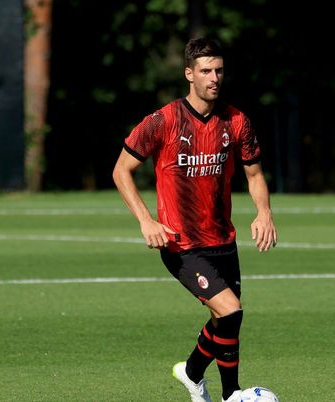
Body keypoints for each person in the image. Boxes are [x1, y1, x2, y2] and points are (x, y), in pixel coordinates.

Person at [111, 37, 277, 402]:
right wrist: (146, 220)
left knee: (224, 320)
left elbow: (254, 174)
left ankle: (190, 372)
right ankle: (231, 395)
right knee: (231, 312)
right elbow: (121, 171)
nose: (214, 77)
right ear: (189, 74)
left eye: (219, 70)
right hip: (180, 243)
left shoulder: (236, 121)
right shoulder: (163, 120)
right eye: (205, 71)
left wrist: (264, 213)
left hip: (222, 240)